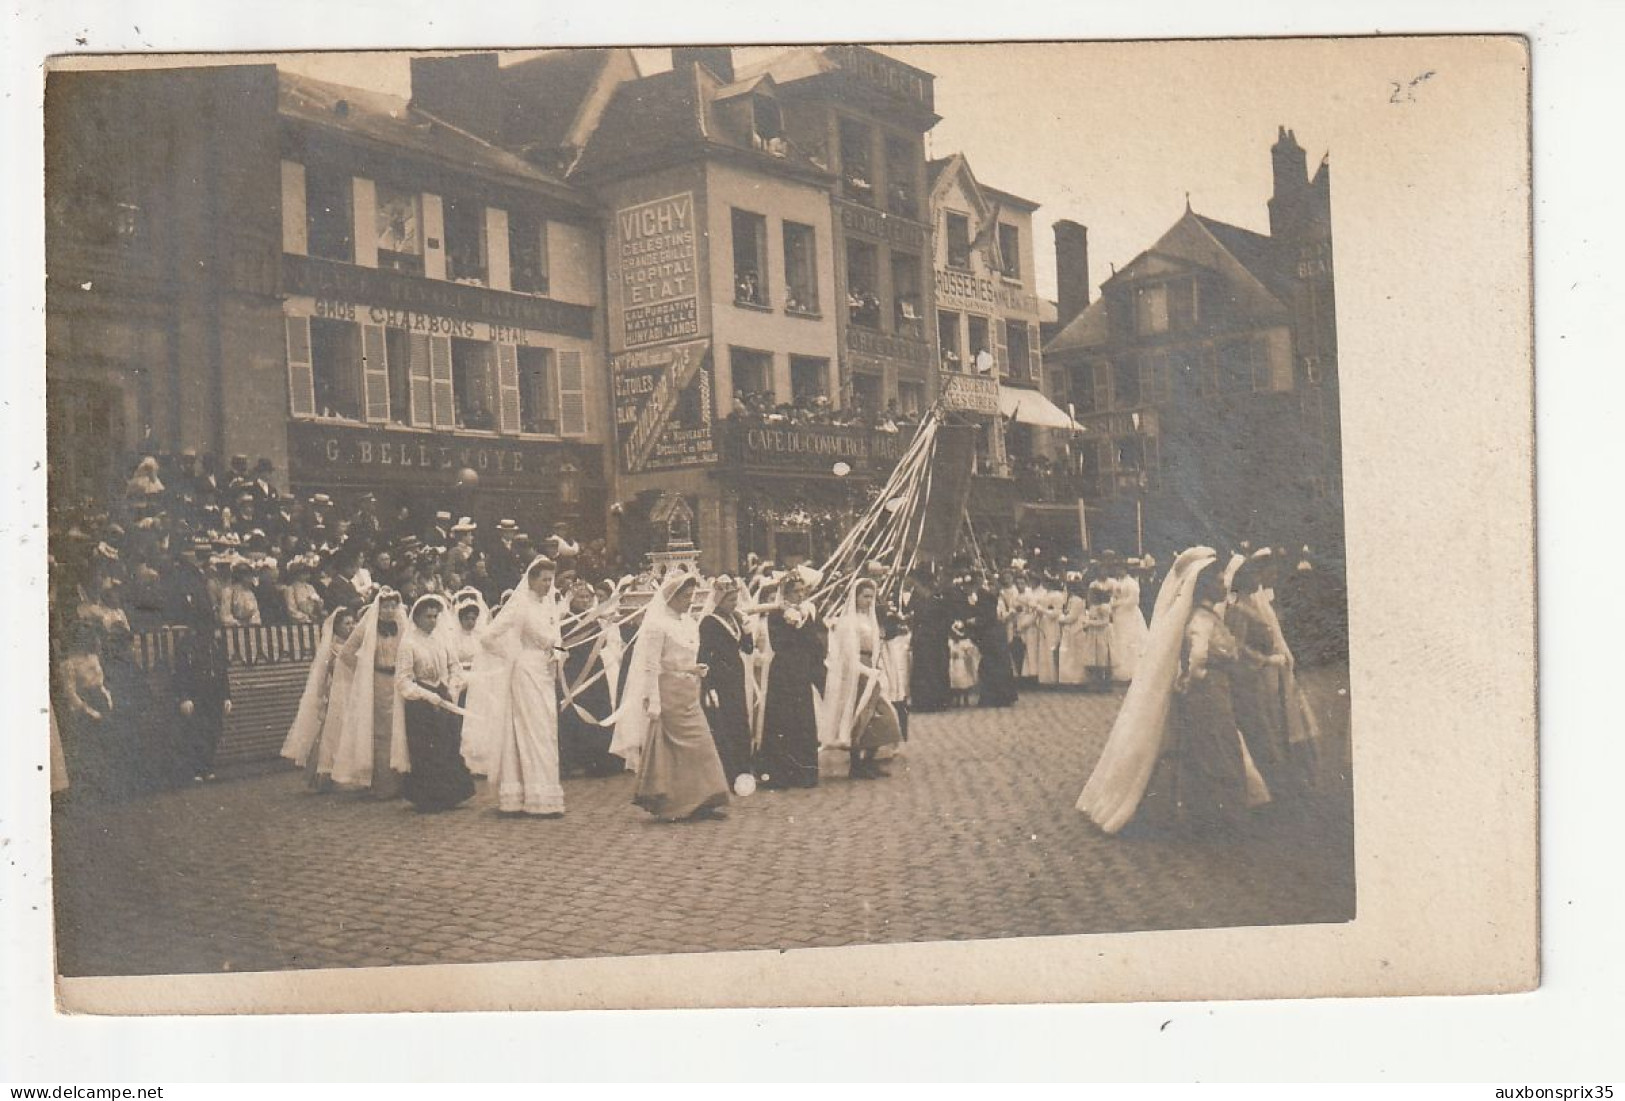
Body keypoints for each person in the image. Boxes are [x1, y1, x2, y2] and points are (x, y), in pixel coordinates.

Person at [1076, 549, 1268, 835]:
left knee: (1219, 749)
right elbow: (1198, 659)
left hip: (1215, 692)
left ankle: (1220, 811)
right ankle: (1221, 816)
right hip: (1210, 694)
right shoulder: (1201, 620)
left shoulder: (1207, 616)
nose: (1223, 585)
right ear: (1203, 586)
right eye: (1217, 581)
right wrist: (1198, 677)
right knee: (1217, 751)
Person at [608, 570, 730, 820]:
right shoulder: (656, 625)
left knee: (700, 744)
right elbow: (652, 665)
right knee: (676, 749)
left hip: (688, 691)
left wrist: (695, 669)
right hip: (668, 691)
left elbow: (688, 655)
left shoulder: (687, 622)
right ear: (671, 597)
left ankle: (704, 798)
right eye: (685, 596)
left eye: (692, 595)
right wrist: (653, 699)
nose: (690, 600)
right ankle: (677, 803)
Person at [462, 556, 567, 817]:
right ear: (531, 580)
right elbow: (488, 636)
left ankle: (542, 795)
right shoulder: (519, 604)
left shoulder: (548, 605)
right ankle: (534, 797)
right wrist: (511, 655)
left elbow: (555, 641)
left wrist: (561, 652)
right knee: (533, 731)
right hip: (525, 673)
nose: (547, 585)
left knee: (546, 731)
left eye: (550, 580)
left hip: (544, 673)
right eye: (544, 580)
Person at [396, 595, 476, 812]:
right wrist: (426, 695)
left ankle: (450, 794)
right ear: (417, 617)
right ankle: (428, 798)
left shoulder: (442, 640)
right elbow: (403, 680)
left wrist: (451, 688)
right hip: (420, 702)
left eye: (435, 616)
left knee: (448, 744)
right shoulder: (409, 643)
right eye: (427, 616)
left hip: (443, 695)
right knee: (425, 749)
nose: (432, 621)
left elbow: (454, 667)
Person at [817, 577, 903, 779]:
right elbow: (847, 654)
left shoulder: (869, 618)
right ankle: (856, 764)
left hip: (871, 667)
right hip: (858, 670)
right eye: (865, 596)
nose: (869, 601)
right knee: (859, 715)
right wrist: (864, 670)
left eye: (872, 597)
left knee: (882, 715)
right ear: (855, 598)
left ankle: (869, 760)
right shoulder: (848, 622)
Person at [331, 588, 409, 799]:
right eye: (385, 606)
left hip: (399, 682)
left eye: (393, 606)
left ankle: (403, 781)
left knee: (401, 730)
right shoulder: (368, 628)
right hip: (379, 681)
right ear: (378, 607)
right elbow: (346, 653)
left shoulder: (403, 627)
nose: (389, 611)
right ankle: (384, 784)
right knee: (383, 732)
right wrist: (365, 670)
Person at [756, 566, 826, 789]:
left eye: (803, 591)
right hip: (784, 671)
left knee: (803, 720)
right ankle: (780, 773)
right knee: (782, 719)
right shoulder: (776, 614)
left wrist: (802, 626)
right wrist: (794, 627)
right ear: (785, 593)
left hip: (801, 670)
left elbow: (815, 643)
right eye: (796, 592)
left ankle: (804, 772)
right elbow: (779, 644)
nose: (801, 596)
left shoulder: (807, 613)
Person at [280, 605, 359, 791]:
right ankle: (324, 775)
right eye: (346, 623)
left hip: (352, 690)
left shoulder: (354, 647)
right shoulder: (331, 649)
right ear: (337, 626)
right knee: (332, 732)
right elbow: (323, 675)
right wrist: (322, 696)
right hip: (337, 692)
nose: (351, 627)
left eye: (353, 623)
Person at [556, 580, 620, 778]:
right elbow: (558, 646)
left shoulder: (594, 619)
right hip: (573, 671)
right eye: (580, 597)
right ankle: (575, 760)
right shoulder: (565, 621)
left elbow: (603, 644)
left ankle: (600, 761)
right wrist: (561, 656)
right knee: (574, 714)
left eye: (587, 597)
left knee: (598, 711)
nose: (584, 601)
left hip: (593, 670)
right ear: (571, 599)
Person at [697, 575, 755, 789]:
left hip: (736, 674)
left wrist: (748, 632)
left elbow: (747, 649)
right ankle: (728, 771)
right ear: (719, 600)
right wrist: (708, 684)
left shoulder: (736, 619)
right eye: (731, 600)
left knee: (740, 718)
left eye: (736, 600)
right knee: (725, 722)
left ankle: (743, 769)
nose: (735, 604)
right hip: (720, 676)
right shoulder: (709, 622)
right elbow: (704, 653)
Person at [1109, 557, 1151, 683]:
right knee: (1119, 640)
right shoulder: (1117, 582)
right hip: (1119, 616)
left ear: (1125, 570)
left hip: (1129, 615)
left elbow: (1134, 600)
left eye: (1120, 569)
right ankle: (1119, 671)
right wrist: (1113, 604)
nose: (1118, 571)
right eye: (1116, 569)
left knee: (1130, 640)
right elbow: (1113, 596)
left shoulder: (1131, 583)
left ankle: (1132, 671)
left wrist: (1119, 604)